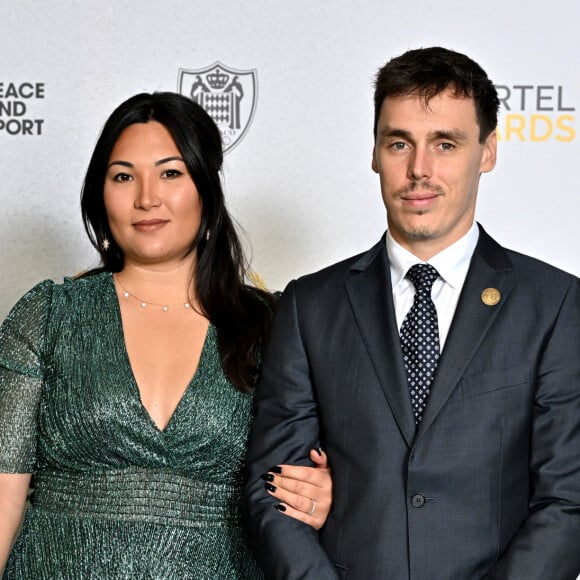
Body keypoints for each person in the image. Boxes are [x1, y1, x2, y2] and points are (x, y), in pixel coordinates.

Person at [245, 47, 580, 579]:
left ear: (487, 151)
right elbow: (274, 492)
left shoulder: (556, 305)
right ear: (375, 152)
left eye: (445, 144)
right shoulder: (310, 307)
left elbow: (567, 502)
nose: (418, 170)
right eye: (399, 143)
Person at [0, 92, 333, 578]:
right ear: (100, 194)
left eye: (170, 173)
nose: (146, 197)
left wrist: (325, 500)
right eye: (123, 176)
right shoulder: (49, 315)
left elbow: (318, 475)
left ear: (206, 188)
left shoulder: (273, 323)